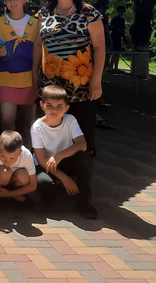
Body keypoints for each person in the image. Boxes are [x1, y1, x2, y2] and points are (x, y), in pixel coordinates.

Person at [31, 0, 105, 155]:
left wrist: (97, 80)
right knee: (53, 129)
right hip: (51, 82)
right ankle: (53, 166)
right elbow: (38, 43)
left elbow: (99, 47)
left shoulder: (88, 12)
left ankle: (82, 167)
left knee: (82, 130)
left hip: (80, 83)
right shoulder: (44, 13)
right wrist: (34, 71)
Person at [31, 85, 97, 219]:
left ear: (66, 108)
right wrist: (65, 178)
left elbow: (82, 145)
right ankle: (56, 188)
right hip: (45, 165)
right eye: (49, 105)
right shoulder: (37, 127)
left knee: (85, 158)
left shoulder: (70, 120)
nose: (54, 110)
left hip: (64, 160)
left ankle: (84, 201)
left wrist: (59, 156)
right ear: (42, 105)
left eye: (59, 106)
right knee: (45, 184)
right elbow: (41, 160)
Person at [0, 0, 38, 145]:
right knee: (7, 118)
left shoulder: (36, 23)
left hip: (29, 76)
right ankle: (10, 149)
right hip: (5, 77)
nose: (12, 2)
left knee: (29, 119)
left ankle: (28, 151)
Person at [0, 130, 37, 202]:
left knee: (23, 176)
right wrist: (14, 195)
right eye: (3, 156)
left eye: (12, 158)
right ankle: (1, 196)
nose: (7, 161)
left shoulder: (26, 155)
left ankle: (9, 194)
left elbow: (33, 185)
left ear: (20, 153)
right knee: (4, 172)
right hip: (0, 179)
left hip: (15, 179)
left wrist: (8, 194)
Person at [107, 6, 129, 72]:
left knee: (118, 52)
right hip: (114, 37)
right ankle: (111, 66)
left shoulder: (123, 20)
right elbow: (110, 27)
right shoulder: (115, 19)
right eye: (120, 11)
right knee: (115, 52)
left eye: (122, 11)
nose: (121, 13)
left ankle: (116, 67)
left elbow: (123, 31)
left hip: (119, 37)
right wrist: (116, 29)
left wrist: (125, 39)